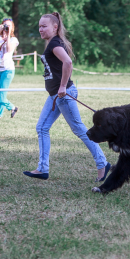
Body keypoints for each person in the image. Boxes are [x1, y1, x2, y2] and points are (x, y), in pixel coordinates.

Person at [23, 12, 112, 183]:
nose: (40, 29)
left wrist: (63, 86)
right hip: (56, 95)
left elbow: (68, 63)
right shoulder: (52, 43)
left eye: (44, 26)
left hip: (64, 95)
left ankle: (103, 163)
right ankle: (42, 169)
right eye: (39, 26)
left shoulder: (55, 44)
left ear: (55, 27)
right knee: (42, 127)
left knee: (79, 129)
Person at [0, 18, 19, 120]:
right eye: (4, 25)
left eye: (8, 25)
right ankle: (12, 107)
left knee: (2, 94)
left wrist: (8, 36)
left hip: (8, 69)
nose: (6, 27)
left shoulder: (13, 40)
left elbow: (8, 49)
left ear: (12, 27)